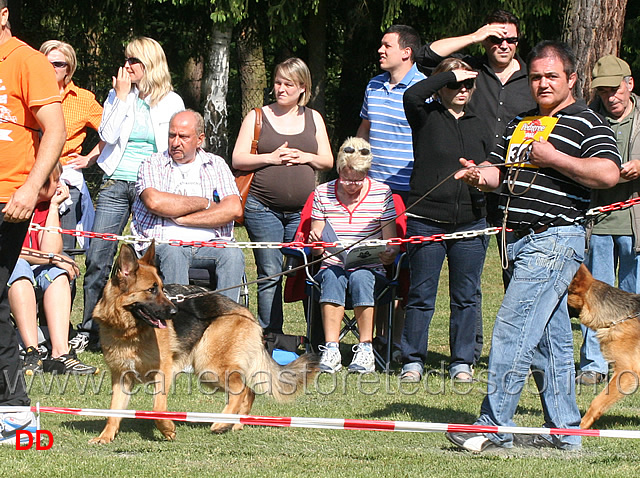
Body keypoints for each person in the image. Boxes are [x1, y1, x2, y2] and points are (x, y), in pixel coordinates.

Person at [448, 41, 620, 452]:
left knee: (513, 326)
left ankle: (493, 425)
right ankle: (566, 432)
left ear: (572, 79)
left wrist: (556, 158)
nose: (542, 84)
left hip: (555, 238)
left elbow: (608, 174)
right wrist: (479, 176)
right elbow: (498, 173)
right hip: (514, 240)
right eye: (536, 76)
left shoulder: (587, 121)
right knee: (548, 337)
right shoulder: (518, 123)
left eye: (551, 76)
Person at [417, 9, 537, 362]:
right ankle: (472, 351)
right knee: (470, 283)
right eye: (496, 39)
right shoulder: (471, 73)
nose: (503, 45)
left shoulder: (533, 78)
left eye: (510, 39)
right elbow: (426, 56)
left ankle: (519, 351)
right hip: (471, 186)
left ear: (519, 42)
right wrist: (475, 35)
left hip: (518, 185)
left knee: (519, 274)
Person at [77, 37, 184, 350]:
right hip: (115, 183)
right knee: (98, 257)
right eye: (125, 60)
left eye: (133, 61)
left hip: (149, 186)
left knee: (145, 260)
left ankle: (146, 327)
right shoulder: (117, 94)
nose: (126, 67)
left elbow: (174, 145)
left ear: (149, 64)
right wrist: (122, 98)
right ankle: (90, 328)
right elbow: (107, 135)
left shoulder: (171, 101)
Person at [0, 0, 66, 444]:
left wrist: (31, 188)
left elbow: (56, 129)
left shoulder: (27, 61)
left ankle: (16, 415)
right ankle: (15, 411)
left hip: (8, 199)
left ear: (3, 13)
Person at [399, 58, 489, 384]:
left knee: (466, 296)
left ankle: (462, 362)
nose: (462, 89)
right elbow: (411, 95)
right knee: (422, 295)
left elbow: (493, 165)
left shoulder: (481, 122)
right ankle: (412, 361)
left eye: (468, 83)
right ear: (440, 86)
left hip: (470, 221)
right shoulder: (425, 116)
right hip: (426, 220)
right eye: (454, 84)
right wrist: (450, 74)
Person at [232, 57, 333, 333]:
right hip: (262, 208)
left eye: (288, 84)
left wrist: (306, 156)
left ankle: (318, 337)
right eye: (277, 83)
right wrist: (272, 158)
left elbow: (327, 161)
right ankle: (270, 335)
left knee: (307, 271)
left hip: (305, 211)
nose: (281, 89)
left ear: (302, 87)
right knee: (270, 272)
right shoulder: (257, 116)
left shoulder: (314, 118)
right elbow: (238, 158)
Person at [132, 110, 244, 301]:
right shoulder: (152, 163)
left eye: (183, 137)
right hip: (164, 244)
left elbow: (233, 209)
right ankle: (180, 321)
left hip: (211, 244)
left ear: (199, 139)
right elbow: (155, 201)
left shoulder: (216, 165)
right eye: (171, 135)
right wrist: (205, 202)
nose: (175, 142)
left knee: (233, 255)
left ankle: (226, 321)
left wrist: (182, 218)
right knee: (174, 252)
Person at [309, 137, 399, 373]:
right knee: (332, 275)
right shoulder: (322, 193)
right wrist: (317, 243)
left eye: (358, 180)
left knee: (361, 277)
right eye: (347, 178)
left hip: (370, 268)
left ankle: (366, 347)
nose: (352, 185)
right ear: (339, 170)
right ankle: (331, 348)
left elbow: (392, 242)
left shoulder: (382, 193)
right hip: (333, 264)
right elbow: (317, 241)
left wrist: (390, 253)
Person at [576, 56, 640, 385]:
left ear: (629, 84)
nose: (610, 97)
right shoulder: (587, 119)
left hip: (635, 224)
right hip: (597, 223)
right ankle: (592, 365)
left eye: (614, 89)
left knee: (633, 299)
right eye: (602, 92)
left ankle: (627, 365)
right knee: (596, 300)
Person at [9, 163, 96, 375]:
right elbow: (12, 251)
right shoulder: (11, 205)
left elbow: (52, 250)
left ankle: (61, 353)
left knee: (58, 273)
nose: (61, 185)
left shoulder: (45, 208)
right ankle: (32, 352)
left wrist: (54, 207)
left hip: (38, 269)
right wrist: (51, 258)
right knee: (19, 267)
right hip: (12, 269)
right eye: (56, 180)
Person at [39, 40, 103, 253]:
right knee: (28, 242)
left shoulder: (83, 99)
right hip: (30, 177)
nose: (52, 68)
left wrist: (89, 158)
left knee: (64, 248)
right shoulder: (28, 93)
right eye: (46, 63)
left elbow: (114, 133)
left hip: (66, 179)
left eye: (58, 64)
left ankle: (65, 285)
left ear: (69, 68)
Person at [356, 24, 425, 203]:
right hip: (372, 185)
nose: (380, 50)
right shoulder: (373, 85)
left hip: (409, 187)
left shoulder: (424, 89)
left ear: (406, 52)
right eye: (381, 45)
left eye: (387, 46)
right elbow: (365, 128)